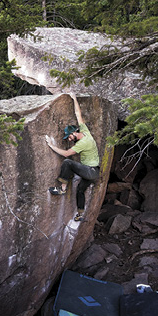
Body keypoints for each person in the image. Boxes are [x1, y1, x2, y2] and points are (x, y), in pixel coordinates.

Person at [45, 93, 100, 222]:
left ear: (74, 133)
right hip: (93, 172)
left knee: (68, 162)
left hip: (90, 171)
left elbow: (65, 154)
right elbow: (78, 114)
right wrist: (74, 98)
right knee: (80, 190)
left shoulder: (83, 143)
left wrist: (51, 145)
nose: (69, 139)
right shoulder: (85, 131)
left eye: (69, 137)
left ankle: (62, 189)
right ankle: (80, 213)